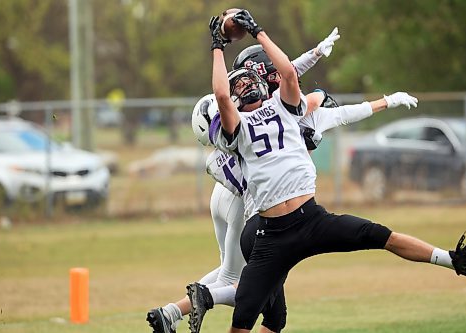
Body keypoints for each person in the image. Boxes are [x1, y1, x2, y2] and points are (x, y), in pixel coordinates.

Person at [207, 9, 466, 333]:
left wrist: (259, 32)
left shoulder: (284, 107)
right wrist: (217, 45)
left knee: (381, 235)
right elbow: (222, 95)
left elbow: (290, 75)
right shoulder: (235, 128)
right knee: (242, 324)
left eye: (245, 78)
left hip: (310, 219)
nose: (243, 83)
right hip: (271, 235)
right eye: (237, 83)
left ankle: (454, 260)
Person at [146, 24, 341, 333]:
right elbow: (299, 94)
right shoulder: (262, 103)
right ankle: (203, 298)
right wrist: (319, 95)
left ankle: (169, 313)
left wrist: (317, 53)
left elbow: (291, 72)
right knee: (247, 288)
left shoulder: (234, 107)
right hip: (252, 206)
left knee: (238, 280)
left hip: (223, 197)